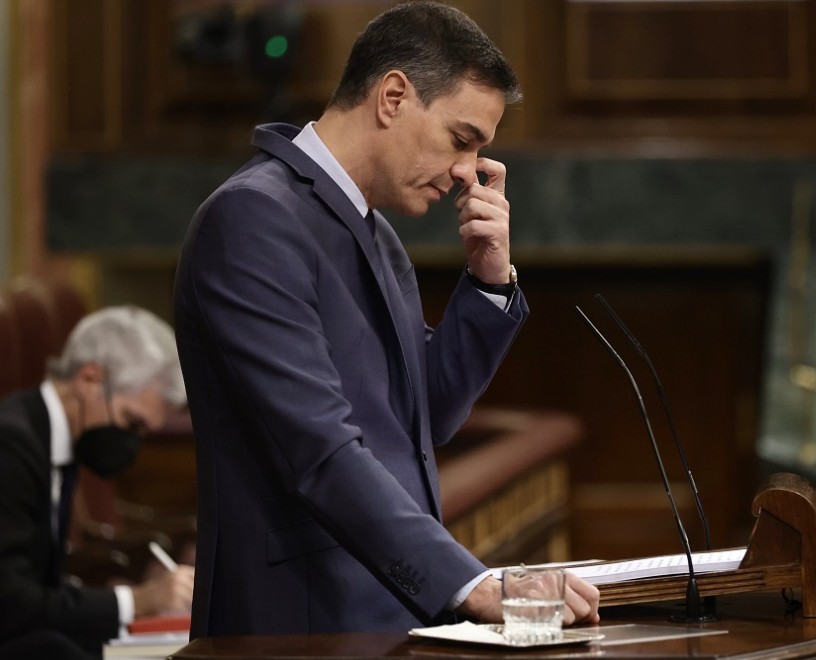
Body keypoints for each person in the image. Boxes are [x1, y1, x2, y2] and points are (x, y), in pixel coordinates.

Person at [173, 0, 600, 638]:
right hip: (296, 627)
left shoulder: (374, 232)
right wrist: (471, 582)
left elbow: (422, 416)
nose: (466, 174)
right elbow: (319, 451)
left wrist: (487, 283)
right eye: (462, 140)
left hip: (382, 614)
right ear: (393, 96)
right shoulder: (252, 220)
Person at [0, 306, 195, 659]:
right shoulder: (11, 445)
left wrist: (104, 598)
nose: (133, 446)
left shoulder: (55, 439)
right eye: (131, 422)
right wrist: (137, 600)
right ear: (90, 379)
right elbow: (9, 600)